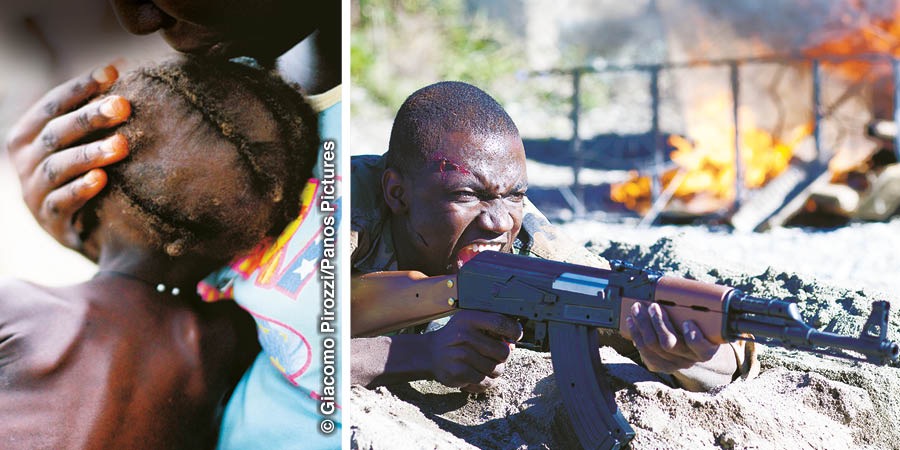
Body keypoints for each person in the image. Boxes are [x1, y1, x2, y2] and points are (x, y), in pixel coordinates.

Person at [5, 2, 343, 447]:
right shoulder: (219, 342)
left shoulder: (21, 303)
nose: (137, 22)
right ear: (248, 244)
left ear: (93, 185)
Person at [350, 81, 758, 394]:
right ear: (396, 192)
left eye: (514, 195)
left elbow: (731, 354)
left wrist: (686, 355)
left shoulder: (534, 248)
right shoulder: (334, 207)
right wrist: (422, 354)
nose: (497, 223)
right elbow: (289, 349)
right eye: (467, 195)